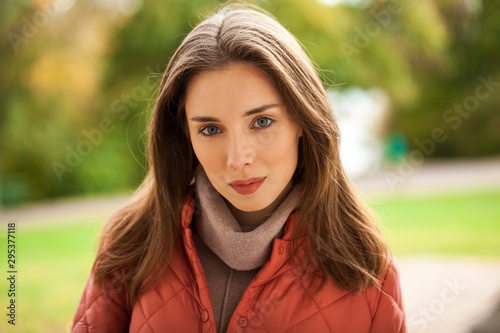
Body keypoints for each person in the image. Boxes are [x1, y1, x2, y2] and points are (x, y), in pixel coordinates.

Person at [72, 4, 406, 332]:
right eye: (210, 129)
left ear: (302, 119)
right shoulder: (129, 242)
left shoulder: (367, 266)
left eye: (262, 121)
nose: (237, 158)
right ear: (184, 134)